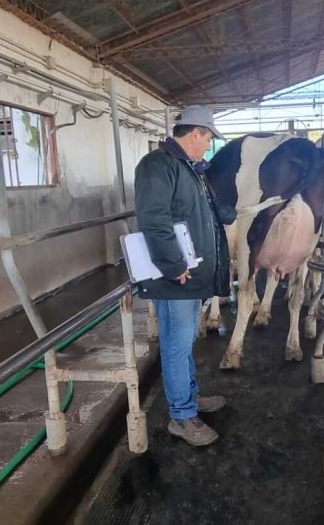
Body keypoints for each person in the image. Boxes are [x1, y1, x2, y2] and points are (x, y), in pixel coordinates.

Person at [134, 105, 232, 446]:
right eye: (207, 138)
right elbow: (154, 220)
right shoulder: (156, 166)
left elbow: (194, 213)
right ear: (194, 134)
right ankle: (181, 416)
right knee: (177, 344)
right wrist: (174, 266)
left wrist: (225, 211)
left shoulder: (188, 168)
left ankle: (188, 398)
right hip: (173, 276)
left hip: (188, 276)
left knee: (185, 339)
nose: (208, 145)